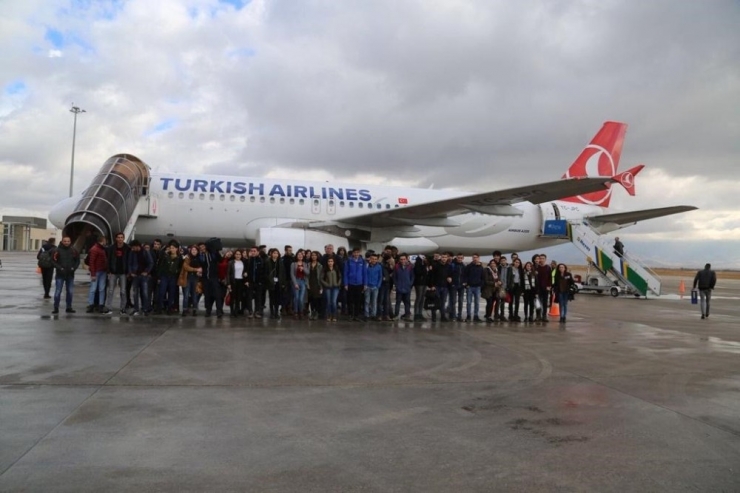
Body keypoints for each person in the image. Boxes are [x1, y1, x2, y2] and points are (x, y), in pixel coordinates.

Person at [51, 236, 80, 314]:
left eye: (68, 241)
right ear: (62, 241)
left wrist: (73, 268)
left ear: (70, 242)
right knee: (58, 291)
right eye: (65, 241)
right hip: (60, 275)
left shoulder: (74, 250)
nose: (66, 242)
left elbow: (77, 261)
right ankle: (56, 307)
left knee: (70, 292)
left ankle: (69, 307)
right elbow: (53, 261)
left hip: (70, 275)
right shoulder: (57, 250)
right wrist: (60, 268)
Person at [106, 232, 130, 315]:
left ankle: (123, 308)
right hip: (113, 272)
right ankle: (108, 307)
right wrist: (108, 271)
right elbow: (108, 260)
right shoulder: (111, 248)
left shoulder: (127, 248)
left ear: (123, 238)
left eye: (121, 237)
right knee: (111, 290)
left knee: (123, 291)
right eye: (118, 237)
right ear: (116, 238)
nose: (120, 239)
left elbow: (129, 261)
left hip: (123, 272)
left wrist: (128, 272)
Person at [128, 239, 154, 315]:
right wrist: (131, 272)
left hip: (143, 276)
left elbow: (151, 263)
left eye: (133, 247)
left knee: (145, 293)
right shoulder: (132, 253)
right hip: (135, 275)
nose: (132, 249)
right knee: (135, 293)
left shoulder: (145, 252)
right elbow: (129, 263)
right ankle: (136, 309)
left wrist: (146, 272)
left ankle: (145, 308)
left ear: (137, 246)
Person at [86, 235, 109, 314]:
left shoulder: (97, 248)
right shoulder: (96, 249)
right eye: (105, 240)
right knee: (97, 289)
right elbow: (91, 262)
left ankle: (94, 305)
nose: (106, 242)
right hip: (98, 271)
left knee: (96, 289)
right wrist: (93, 274)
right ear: (102, 240)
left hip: (101, 271)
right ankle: (98, 305)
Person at [343, 248, 366, 321]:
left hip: (359, 284)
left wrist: (365, 284)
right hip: (350, 283)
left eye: (357, 252)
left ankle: (356, 315)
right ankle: (350, 315)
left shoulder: (362, 261)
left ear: (359, 253)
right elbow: (345, 273)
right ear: (352, 253)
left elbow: (364, 273)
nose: (356, 254)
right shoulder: (349, 261)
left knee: (358, 301)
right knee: (350, 300)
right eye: (355, 253)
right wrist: (346, 283)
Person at [392, 253, 414, 321]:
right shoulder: (396, 266)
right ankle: (396, 315)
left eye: (404, 259)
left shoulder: (410, 267)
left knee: (407, 302)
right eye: (401, 259)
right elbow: (394, 277)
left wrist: (410, 284)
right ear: (399, 260)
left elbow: (412, 276)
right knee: (398, 302)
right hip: (399, 287)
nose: (402, 261)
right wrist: (396, 284)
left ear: (406, 259)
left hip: (407, 287)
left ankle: (407, 315)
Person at [265, 248, 286, 319]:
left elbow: (283, 273)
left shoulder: (280, 262)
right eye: (274, 253)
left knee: (277, 298)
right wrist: (269, 280)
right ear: (271, 254)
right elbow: (266, 273)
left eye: (276, 253)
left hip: (278, 282)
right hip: (271, 282)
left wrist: (283, 283)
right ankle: (272, 312)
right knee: (271, 298)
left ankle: (276, 312)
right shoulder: (268, 262)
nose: (275, 255)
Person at [463, 253, 484, 323]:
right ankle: (468, 315)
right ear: (472, 258)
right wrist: (466, 284)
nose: (475, 259)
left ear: (478, 258)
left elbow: (482, 277)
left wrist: (481, 284)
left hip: (477, 287)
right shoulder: (469, 266)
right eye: (474, 257)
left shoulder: (481, 267)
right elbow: (465, 275)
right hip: (470, 287)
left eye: (476, 257)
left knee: (477, 302)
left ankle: (476, 316)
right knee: (469, 302)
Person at [227, 250, 247, 318]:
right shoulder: (231, 262)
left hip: (241, 281)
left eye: (239, 254)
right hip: (233, 281)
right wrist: (228, 283)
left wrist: (245, 274)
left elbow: (245, 271)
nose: (238, 256)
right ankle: (232, 311)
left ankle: (236, 311)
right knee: (232, 297)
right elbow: (228, 274)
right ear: (234, 255)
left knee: (239, 297)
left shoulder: (243, 262)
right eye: (237, 254)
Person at [321, 257, 342, 322]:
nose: (330, 263)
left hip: (335, 288)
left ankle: (334, 315)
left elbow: (340, 277)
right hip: (328, 288)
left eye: (331, 261)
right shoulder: (325, 269)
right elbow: (321, 278)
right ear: (327, 262)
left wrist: (338, 284)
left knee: (334, 302)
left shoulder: (336, 269)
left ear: (333, 262)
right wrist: (326, 284)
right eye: (329, 261)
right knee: (328, 302)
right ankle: (329, 315)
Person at [364, 253, 382, 321]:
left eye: (375, 259)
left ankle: (373, 315)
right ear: (370, 259)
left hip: (375, 287)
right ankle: (366, 315)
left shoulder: (379, 267)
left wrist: (378, 285)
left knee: (374, 302)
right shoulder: (367, 266)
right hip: (367, 286)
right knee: (367, 301)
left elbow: (380, 277)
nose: (374, 260)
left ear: (377, 260)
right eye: (372, 259)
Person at [290, 250, 308, 320]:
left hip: (303, 281)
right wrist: (295, 283)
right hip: (296, 280)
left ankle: (301, 311)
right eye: (298, 255)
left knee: (301, 299)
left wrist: (303, 269)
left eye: (301, 255)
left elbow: (307, 273)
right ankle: (296, 312)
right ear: (296, 256)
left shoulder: (305, 264)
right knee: (296, 298)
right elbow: (292, 274)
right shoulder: (293, 264)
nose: (300, 256)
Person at [449, 253, 466, 321]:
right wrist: (452, 283)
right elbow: (449, 274)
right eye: (458, 258)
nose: (460, 259)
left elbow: (465, 275)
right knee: (453, 301)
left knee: (461, 301)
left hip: (461, 286)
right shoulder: (453, 265)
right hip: (454, 285)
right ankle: (453, 315)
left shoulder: (464, 266)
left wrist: (464, 282)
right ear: (456, 258)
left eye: (461, 258)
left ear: (463, 258)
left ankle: (459, 315)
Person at [307, 251, 324, 320]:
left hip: (317, 284)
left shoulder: (320, 265)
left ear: (317, 257)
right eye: (312, 255)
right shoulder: (308, 265)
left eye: (315, 255)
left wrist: (321, 287)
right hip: (310, 283)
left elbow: (321, 277)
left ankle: (316, 312)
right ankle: (312, 312)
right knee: (311, 299)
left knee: (316, 299)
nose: (314, 256)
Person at [413, 255, 430, 321]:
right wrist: (424, 267)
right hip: (419, 283)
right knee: (419, 298)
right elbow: (418, 272)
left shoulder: (425, 265)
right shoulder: (418, 264)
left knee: (422, 298)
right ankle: (416, 314)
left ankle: (420, 313)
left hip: (424, 282)